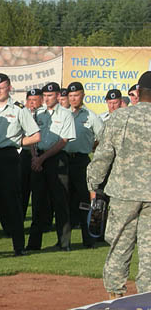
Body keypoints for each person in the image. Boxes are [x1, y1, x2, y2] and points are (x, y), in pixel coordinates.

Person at [87, 71, 151, 298]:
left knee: (119, 245)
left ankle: (115, 295)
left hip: (124, 193)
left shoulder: (120, 117)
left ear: (138, 93)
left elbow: (103, 156)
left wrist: (93, 184)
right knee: (150, 249)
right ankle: (148, 297)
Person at [0, 73, 40, 256]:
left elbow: (36, 136)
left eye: (2, 88)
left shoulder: (19, 109)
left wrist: (17, 142)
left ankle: (18, 247)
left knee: (11, 203)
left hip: (9, 157)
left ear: (9, 88)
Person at [28, 82, 76, 251]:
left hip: (56, 159)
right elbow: (32, 136)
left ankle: (64, 242)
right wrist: (35, 157)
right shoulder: (38, 114)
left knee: (60, 201)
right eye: (45, 96)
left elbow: (63, 141)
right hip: (38, 158)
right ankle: (34, 244)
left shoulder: (65, 114)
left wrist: (42, 159)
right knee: (38, 203)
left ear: (57, 96)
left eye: (50, 96)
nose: (47, 99)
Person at [65, 82, 103, 248]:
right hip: (64, 160)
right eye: (71, 96)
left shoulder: (91, 116)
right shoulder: (64, 114)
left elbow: (103, 138)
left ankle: (88, 240)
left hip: (81, 161)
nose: (73, 98)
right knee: (63, 201)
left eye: (76, 95)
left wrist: (91, 146)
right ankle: (64, 242)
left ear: (83, 96)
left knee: (83, 202)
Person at [21, 88, 45, 219]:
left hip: (41, 153)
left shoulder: (45, 114)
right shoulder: (23, 113)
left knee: (39, 191)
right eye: (29, 100)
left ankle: (39, 219)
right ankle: (20, 217)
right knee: (22, 189)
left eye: (35, 100)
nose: (32, 103)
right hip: (25, 154)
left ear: (41, 100)